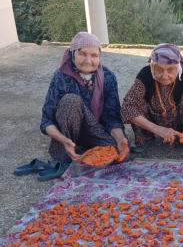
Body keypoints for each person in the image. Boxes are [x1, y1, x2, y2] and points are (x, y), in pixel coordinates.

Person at [39, 32, 127, 179]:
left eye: (94, 55)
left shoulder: (108, 77)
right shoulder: (61, 76)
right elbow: (46, 121)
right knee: (71, 101)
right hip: (67, 134)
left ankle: (87, 147)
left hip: (95, 129)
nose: (88, 60)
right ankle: (68, 150)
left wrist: (120, 139)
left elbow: (112, 116)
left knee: (116, 153)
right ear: (72, 53)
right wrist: (63, 140)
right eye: (82, 54)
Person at [121, 43, 183, 153]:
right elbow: (127, 108)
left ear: (178, 68)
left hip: (179, 120)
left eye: (170, 70)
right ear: (152, 66)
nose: (165, 76)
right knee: (135, 101)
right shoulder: (145, 75)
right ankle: (145, 136)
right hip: (152, 120)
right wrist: (158, 129)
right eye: (159, 69)